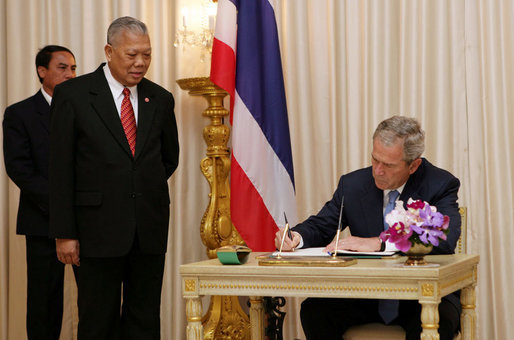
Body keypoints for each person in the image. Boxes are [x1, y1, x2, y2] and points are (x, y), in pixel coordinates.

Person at [48, 16, 179, 339]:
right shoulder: (74, 95)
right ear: (109, 51)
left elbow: (168, 159)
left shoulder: (160, 98)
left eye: (146, 55)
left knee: (145, 319)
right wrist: (64, 233)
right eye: (131, 54)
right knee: (97, 320)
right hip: (96, 230)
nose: (140, 63)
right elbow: (60, 169)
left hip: (148, 229)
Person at [275, 116, 461, 340]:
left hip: (420, 296)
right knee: (315, 311)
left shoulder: (440, 184)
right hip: (367, 293)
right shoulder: (352, 184)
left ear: (413, 165)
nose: (378, 171)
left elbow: (444, 239)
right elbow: (322, 225)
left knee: (438, 321)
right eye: (375, 160)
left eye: (389, 165)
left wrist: (381, 243)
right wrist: (296, 237)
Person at [3, 45, 76, 340]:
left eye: (73, 68)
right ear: (41, 71)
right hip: (41, 220)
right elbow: (19, 169)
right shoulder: (19, 113)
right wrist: (61, 206)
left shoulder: (87, 109)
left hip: (89, 219)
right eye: (63, 67)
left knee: (96, 302)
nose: (71, 74)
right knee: (43, 304)